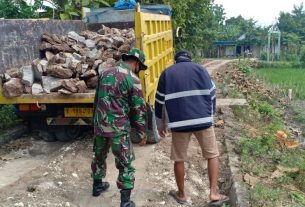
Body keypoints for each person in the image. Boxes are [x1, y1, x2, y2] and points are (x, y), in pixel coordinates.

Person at [155, 50, 229, 206]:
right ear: (190, 59)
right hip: (203, 120)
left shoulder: (167, 73)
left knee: (179, 158)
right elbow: (213, 93)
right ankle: (214, 193)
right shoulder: (201, 69)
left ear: (176, 61)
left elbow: (159, 101)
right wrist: (211, 114)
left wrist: (160, 125)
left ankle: (181, 195)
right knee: (212, 155)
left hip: (179, 123)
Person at [92, 48, 148, 207]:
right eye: (140, 68)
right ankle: (125, 201)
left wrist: (95, 124)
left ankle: (97, 186)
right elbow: (138, 110)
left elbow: (96, 101)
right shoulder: (133, 79)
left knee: (99, 156)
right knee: (125, 163)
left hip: (100, 126)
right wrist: (142, 132)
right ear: (136, 63)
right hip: (119, 129)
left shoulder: (104, 73)